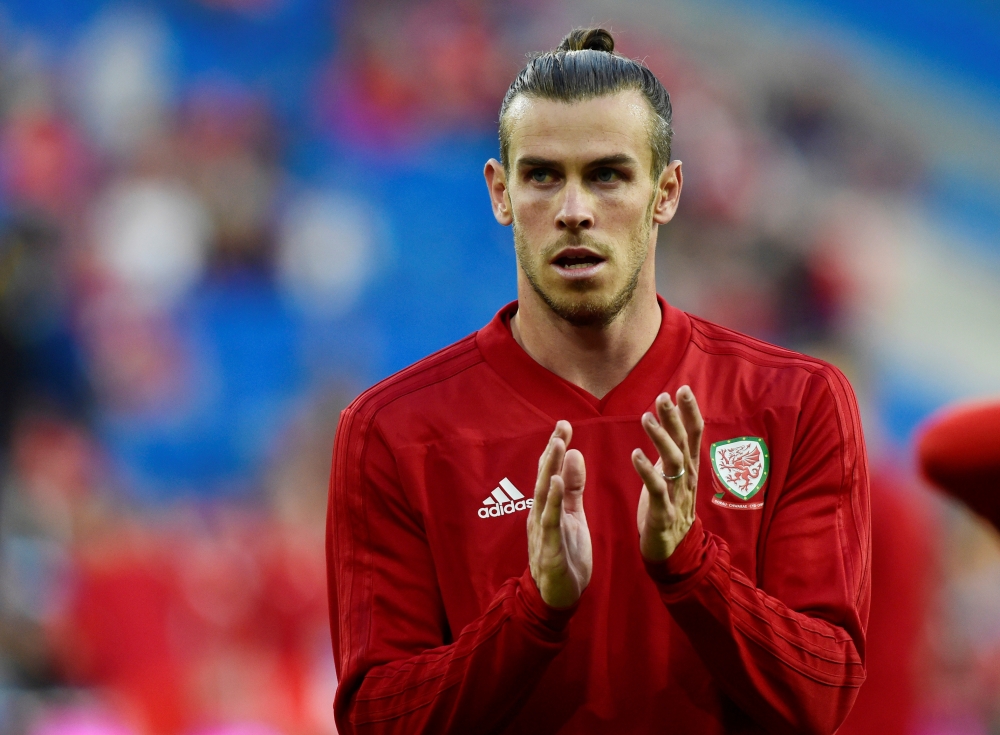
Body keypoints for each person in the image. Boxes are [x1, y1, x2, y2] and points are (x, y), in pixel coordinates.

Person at [327, 28, 870, 734]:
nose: (575, 208)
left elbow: (824, 692)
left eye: (608, 174)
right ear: (500, 191)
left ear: (666, 191)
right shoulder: (393, 431)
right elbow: (376, 718)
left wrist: (692, 569)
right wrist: (532, 613)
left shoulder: (795, 403)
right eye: (543, 175)